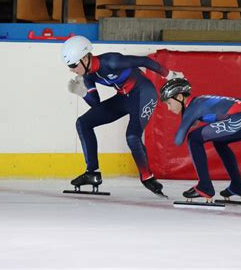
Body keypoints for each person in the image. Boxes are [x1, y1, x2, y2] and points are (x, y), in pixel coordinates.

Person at [61, 35, 183, 197]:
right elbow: (97, 105)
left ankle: (148, 177)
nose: (71, 69)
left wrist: (169, 75)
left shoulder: (111, 61)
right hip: (124, 97)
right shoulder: (87, 75)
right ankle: (92, 172)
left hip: (144, 93)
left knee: (132, 136)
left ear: (84, 58)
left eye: (73, 65)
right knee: (83, 123)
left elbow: (144, 61)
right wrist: (83, 93)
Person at [160, 78, 241, 202]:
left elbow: (178, 139)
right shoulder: (202, 100)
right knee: (219, 142)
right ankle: (238, 186)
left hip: (240, 121)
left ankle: (204, 187)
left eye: (169, 103)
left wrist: (189, 121)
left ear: (180, 97)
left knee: (193, 138)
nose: (169, 108)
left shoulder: (193, 107)